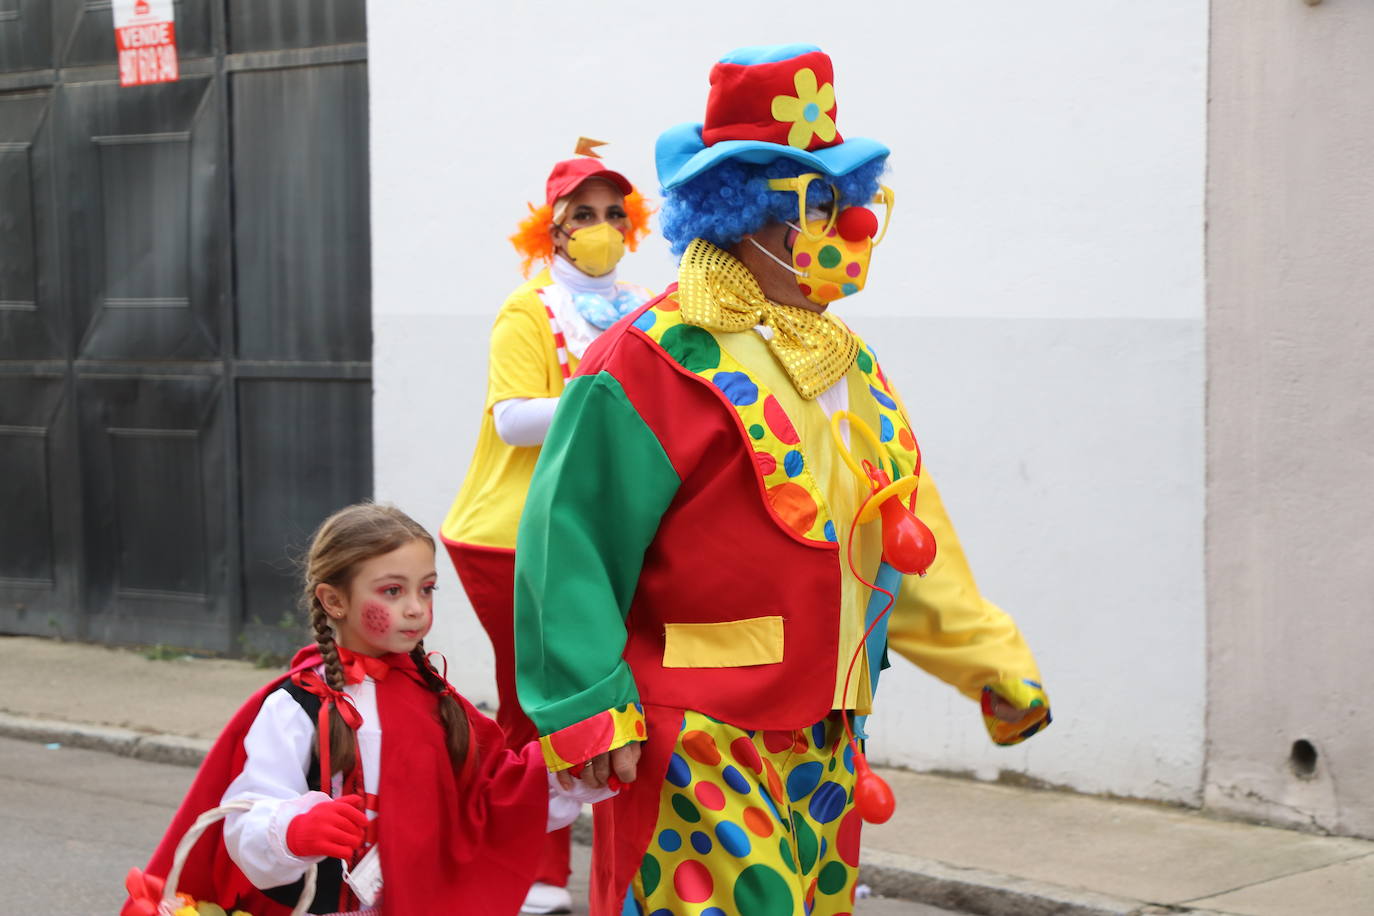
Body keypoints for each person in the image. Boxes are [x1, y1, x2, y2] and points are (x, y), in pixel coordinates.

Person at [512, 44, 1052, 916]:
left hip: (828, 734)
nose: (851, 227)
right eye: (819, 203)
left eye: (853, 200)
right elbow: (566, 534)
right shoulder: (654, 358)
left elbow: (902, 531)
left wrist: (986, 657)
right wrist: (587, 705)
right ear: (745, 209)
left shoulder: (849, 362)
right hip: (697, 735)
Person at [123, 503, 609, 916]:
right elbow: (249, 812)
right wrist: (293, 830)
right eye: (393, 591)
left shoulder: (437, 700)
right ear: (334, 600)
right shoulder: (298, 705)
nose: (416, 608)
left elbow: (500, 789)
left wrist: (577, 757)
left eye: (427, 588)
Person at [439, 148, 653, 914]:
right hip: (511, 533)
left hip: (594, 532)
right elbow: (513, 418)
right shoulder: (528, 310)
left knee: (615, 698)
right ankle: (532, 868)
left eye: (612, 216)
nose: (600, 229)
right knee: (536, 702)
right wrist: (605, 397)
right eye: (583, 216)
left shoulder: (645, 305)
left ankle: (618, 866)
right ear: (552, 232)